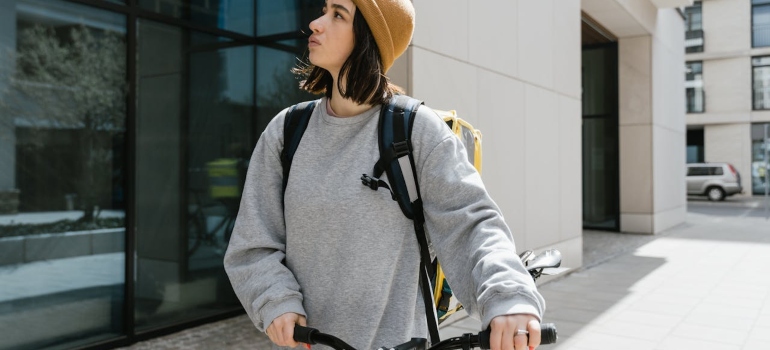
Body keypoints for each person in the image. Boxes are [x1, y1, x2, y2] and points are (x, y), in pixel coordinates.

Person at [223, 1, 546, 349]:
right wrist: (275, 301)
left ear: (368, 38)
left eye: (337, 14)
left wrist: (508, 296)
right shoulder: (286, 132)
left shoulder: (416, 131)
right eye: (323, 9)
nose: (315, 24)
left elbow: (471, 225)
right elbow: (253, 244)